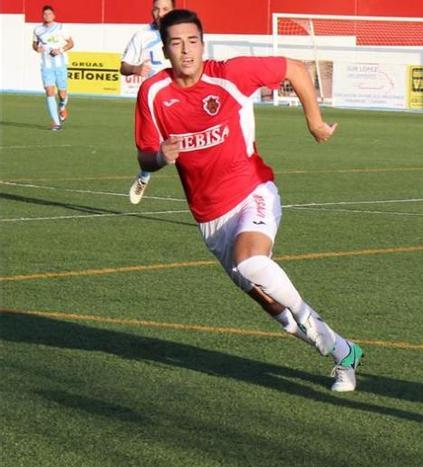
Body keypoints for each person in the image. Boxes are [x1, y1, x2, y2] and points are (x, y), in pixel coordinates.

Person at [133, 9, 363, 391]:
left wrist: (314, 121)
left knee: (252, 260)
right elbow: (144, 154)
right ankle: (342, 352)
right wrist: (160, 156)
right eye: (176, 43)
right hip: (209, 220)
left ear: (203, 44)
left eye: (193, 41)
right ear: (165, 50)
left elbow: (294, 69)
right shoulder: (153, 93)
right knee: (273, 309)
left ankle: (314, 324)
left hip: (252, 191)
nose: (186, 50)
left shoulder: (230, 75)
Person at [122, 0, 175, 204]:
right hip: (153, 100)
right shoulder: (142, 36)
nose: (159, 13)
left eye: (165, 9)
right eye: (156, 8)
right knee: (151, 148)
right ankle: (144, 177)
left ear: (172, 11)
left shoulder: (180, 33)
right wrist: (136, 69)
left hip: (180, 97)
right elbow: (124, 66)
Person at [32, 5, 73, 131]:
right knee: (49, 92)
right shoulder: (37, 29)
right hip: (46, 66)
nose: (47, 15)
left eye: (49, 14)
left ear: (53, 15)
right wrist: (36, 48)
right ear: (42, 15)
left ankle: (62, 106)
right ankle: (56, 123)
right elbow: (34, 44)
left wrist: (60, 50)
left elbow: (71, 43)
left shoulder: (61, 27)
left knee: (62, 94)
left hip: (60, 65)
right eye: (45, 14)